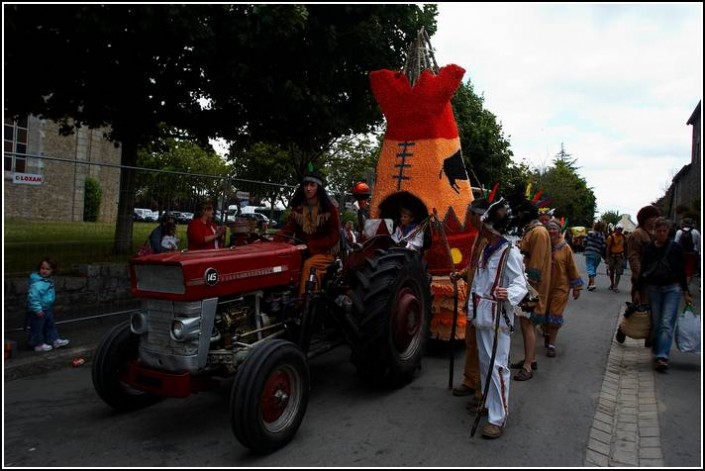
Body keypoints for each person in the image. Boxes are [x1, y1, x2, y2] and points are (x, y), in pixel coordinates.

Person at [467, 197, 528, 439]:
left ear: (490, 227)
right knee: (485, 363)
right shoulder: (486, 249)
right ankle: (488, 403)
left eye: (482, 223)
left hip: (499, 319)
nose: (478, 226)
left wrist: (508, 293)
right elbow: (480, 282)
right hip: (482, 316)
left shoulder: (508, 252)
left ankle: (498, 417)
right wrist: (472, 309)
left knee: (498, 367)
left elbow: (520, 284)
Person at [634, 218, 692, 372]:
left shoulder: (675, 248)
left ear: (668, 232)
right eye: (658, 231)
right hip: (654, 288)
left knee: (666, 323)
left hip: (672, 289)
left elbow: (681, 271)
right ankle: (658, 349)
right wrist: (638, 290)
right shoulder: (649, 249)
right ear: (654, 231)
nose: (661, 234)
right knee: (657, 321)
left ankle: (662, 356)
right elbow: (644, 271)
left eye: (664, 231)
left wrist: (686, 292)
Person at [449, 198, 490, 399]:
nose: (467, 216)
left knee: (483, 346)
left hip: (485, 302)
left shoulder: (490, 238)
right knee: (471, 342)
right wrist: (462, 273)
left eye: (470, 213)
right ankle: (471, 380)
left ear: (477, 215)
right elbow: (475, 266)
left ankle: (482, 390)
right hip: (474, 299)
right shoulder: (479, 236)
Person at [275, 171, 340, 295]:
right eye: (305, 185)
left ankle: (304, 305)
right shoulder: (298, 208)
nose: (308, 188)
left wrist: (310, 246)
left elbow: (334, 237)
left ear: (318, 188)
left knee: (309, 264)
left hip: (325, 252)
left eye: (312, 185)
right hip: (302, 250)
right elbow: (288, 230)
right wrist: (270, 241)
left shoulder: (329, 208)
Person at [508, 195, 550, 382]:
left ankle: (528, 365)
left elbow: (536, 266)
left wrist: (526, 286)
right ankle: (529, 358)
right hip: (527, 285)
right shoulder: (532, 230)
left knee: (527, 323)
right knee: (525, 323)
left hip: (532, 287)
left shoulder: (539, 233)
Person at [538, 220, 584, 357]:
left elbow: (572, 268)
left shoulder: (565, 248)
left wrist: (576, 287)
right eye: (549, 229)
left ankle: (551, 345)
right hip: (544, 286)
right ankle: (546, 332)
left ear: (559, 231)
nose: (552, 231)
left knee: (555, 314)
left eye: (554, 229)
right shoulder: (544, 245)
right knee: (544, 314)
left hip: (561, 287)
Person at [26, 257, 69, 352]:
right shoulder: (38, 283)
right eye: (42, 268)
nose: (44, 271)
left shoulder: (46, 280)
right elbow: (33, 297)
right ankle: (38, 344)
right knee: (37, 327)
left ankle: (54, 340)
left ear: (52, 270)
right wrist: (37, 309)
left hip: (46, 308)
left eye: (47, 269)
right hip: (39, 309)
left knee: (50, 325)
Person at [628, 205, 661, 305]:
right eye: (652, 217)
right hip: (642, 279)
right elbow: (633, 257)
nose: (655, 219)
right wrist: (640, 275)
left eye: (656, 217)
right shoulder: (638, 234)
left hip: (656, 279)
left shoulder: (656, 234)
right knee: (641, 309)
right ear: (645, 218)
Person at [674, 217, 700, 282]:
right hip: (691, 254)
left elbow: (675, 243)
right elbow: (699, 243)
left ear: (684, 223)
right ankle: (687, 286)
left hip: (681, 253)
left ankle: (681, 285)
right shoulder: (696, 232)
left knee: (680, 269)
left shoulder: (679, 232)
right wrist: (697, 251)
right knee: (689, 270)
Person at [583, 221, 607, 291]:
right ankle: (589, 284)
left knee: (590, 269)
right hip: (598, 254)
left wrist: (585, 246)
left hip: (589, 252)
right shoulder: (602, 235)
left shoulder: (590, 233)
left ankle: (592, 283)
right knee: (593, 270)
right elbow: (603, 246)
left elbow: (585, 241)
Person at [605, 224, 627, 292]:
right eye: (618, 229)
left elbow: (625, 246)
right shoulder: (611, 237)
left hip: (620, 256)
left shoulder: (623, 237)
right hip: (612, 256)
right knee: (611, 271)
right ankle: (612, 284)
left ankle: (616, 286)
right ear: (616, 229)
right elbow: (608, 248)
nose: (619, 231)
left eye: (621, 229)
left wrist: (626, 256)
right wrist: (607, 258)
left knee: (618, 272)